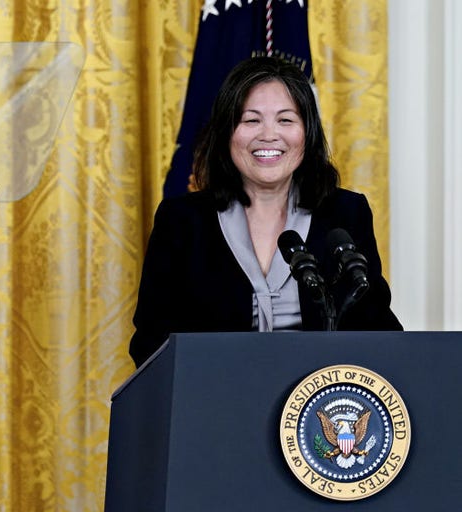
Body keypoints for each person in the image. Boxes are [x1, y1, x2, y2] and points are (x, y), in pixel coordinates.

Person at [129, 56, 402, 367]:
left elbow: (377, 327)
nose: (269, 135)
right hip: (214, 405)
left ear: (307, 132)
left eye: (286, 120)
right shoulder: (181, 221)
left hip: (319, 407)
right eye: (251, 120)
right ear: (227, 132)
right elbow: (151, 342)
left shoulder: (345, 214)